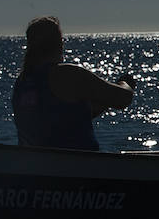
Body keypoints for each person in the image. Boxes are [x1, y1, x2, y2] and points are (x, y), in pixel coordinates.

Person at [11, 16, 134, 151]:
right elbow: (123, 98)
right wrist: (125, 83)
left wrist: (103, 103)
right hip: (77, 165)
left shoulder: (22, 82)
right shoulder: (66, 74)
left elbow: (64, 119)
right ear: (59, 43)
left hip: (35, 165)